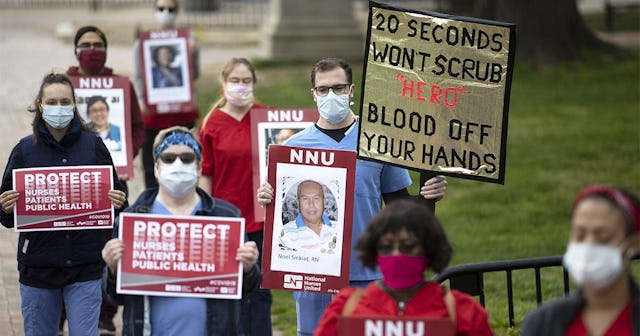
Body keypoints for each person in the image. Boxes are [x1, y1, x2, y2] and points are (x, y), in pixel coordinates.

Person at [256, 57, 448, 335]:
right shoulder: (293, 148)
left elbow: (401, 207)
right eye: (323, 89)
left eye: (338, 87)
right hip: (313, 273)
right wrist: (269, 197)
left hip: (368, 270)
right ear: (313, 94)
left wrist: (429, 197)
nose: (330, 95)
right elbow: (283, 216)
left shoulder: (378, 141)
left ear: (351, 90)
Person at [0, 72, 128, 336]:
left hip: (84, 265)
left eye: (64, 101)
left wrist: (118, 201)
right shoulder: (24, 150)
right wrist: (5, 207)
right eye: (52, 101)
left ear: (74, 104)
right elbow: (6, 215)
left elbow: (117, 196)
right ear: (40, 105)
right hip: (38, 267)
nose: (59, 108)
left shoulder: (94, 147)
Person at [101, 126, 261, 335]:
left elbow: (248, 289)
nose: (178, 164)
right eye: (168, 158)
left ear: (199, 168)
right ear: (157, 168)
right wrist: (113, 269)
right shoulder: (133, 220)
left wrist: (249, 268)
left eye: (187, 158)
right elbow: (115, 297)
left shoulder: (226, 217)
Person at [314, 199, 493, 335]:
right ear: (374, 251)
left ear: (429, 249)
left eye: (407, 246)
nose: (396, 254)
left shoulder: (462, 311)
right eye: (386, 247)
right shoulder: (345, 308)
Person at [66, 25, 144, 333]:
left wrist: (126, 156)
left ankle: (106, 311)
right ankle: (64, 312)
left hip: (114, 182)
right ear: (75, 50)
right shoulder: (64, 85)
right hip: (74, 181)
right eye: (85, 44)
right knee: (72, 243)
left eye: (98, 44)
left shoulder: (121, 85)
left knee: (112, 243)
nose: (92, 49)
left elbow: (136, 126)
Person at [198, 57, 272, 335]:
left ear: (254, 83)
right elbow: (206, 173)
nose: (241, 86)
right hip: (226, 216)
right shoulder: (211, 123)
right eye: (235, 80)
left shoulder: (267, 117)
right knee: (230, 290)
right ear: (223, 83)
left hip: (263, 217)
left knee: (261, 290)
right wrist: (205, 214)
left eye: (246, 81)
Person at [520, 185, 640, 336]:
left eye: (603, 238)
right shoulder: (542, 323)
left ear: (634, 243)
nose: (589, 246)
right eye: (580, 235)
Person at [135, 0, 200, 189]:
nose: (166, 12)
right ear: (154, 10)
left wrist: (193, 54)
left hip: (181, 112)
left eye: (170, 9)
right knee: (151, 161)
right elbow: (140, 75)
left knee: (185, 157)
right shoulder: (142, 43)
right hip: (153, 113)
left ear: (177, 11)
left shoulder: (188, 41)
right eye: (161, 8)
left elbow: (194, 75)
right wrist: (141, 98)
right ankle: (151, 200)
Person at [280, 180, 338, 253]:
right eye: (305, 199)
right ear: (298, 203)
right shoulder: (285, 232)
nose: (311, 204)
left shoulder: (339, 228)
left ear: (324, 202)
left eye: (316, 198)